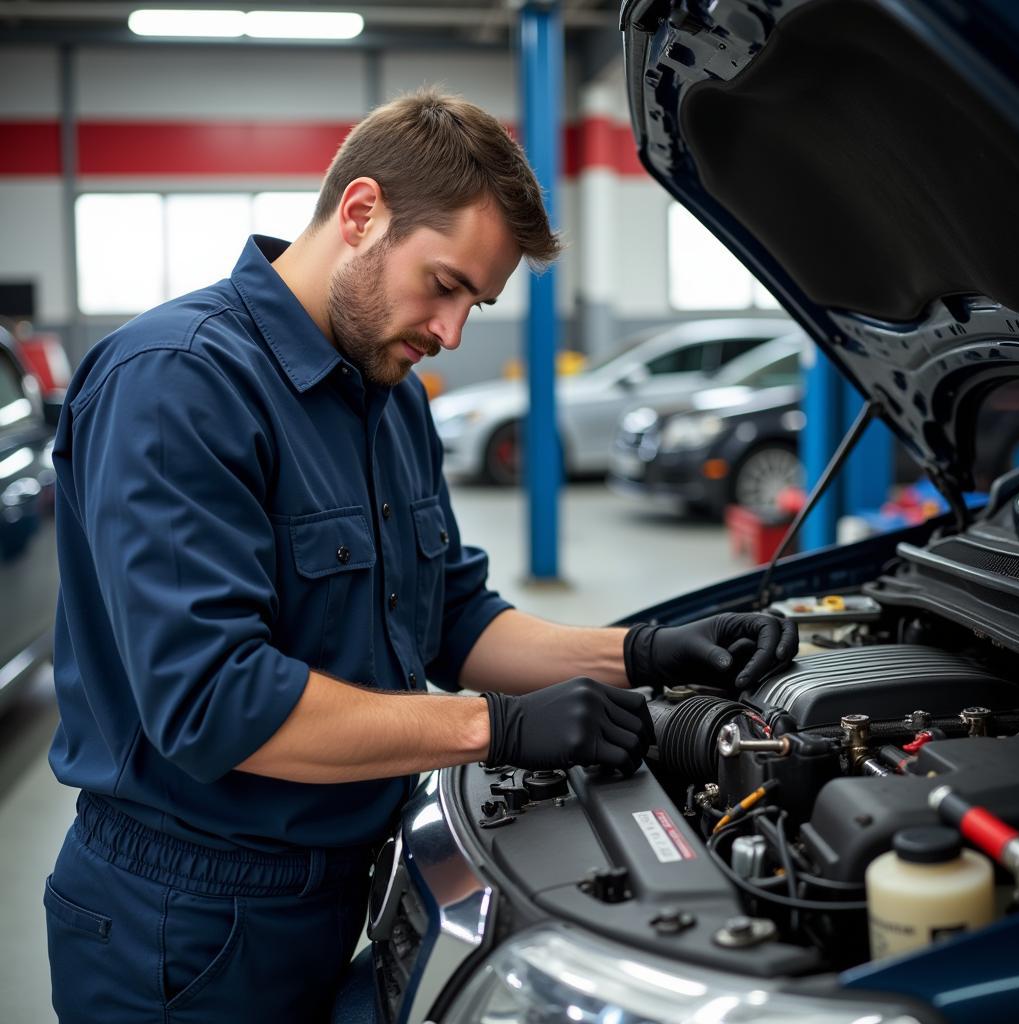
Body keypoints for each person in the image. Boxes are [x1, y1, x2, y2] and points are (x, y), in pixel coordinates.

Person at [44, 89, 797, 1023]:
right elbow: (213, 703)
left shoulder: (389, 397)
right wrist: (497, 728)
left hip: (341, 890)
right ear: (361, 213)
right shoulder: (178, 382)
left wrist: (642, 652)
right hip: (184, 921)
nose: (450, 334)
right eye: (444, 285)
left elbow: (450, 617)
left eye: (474, 304)